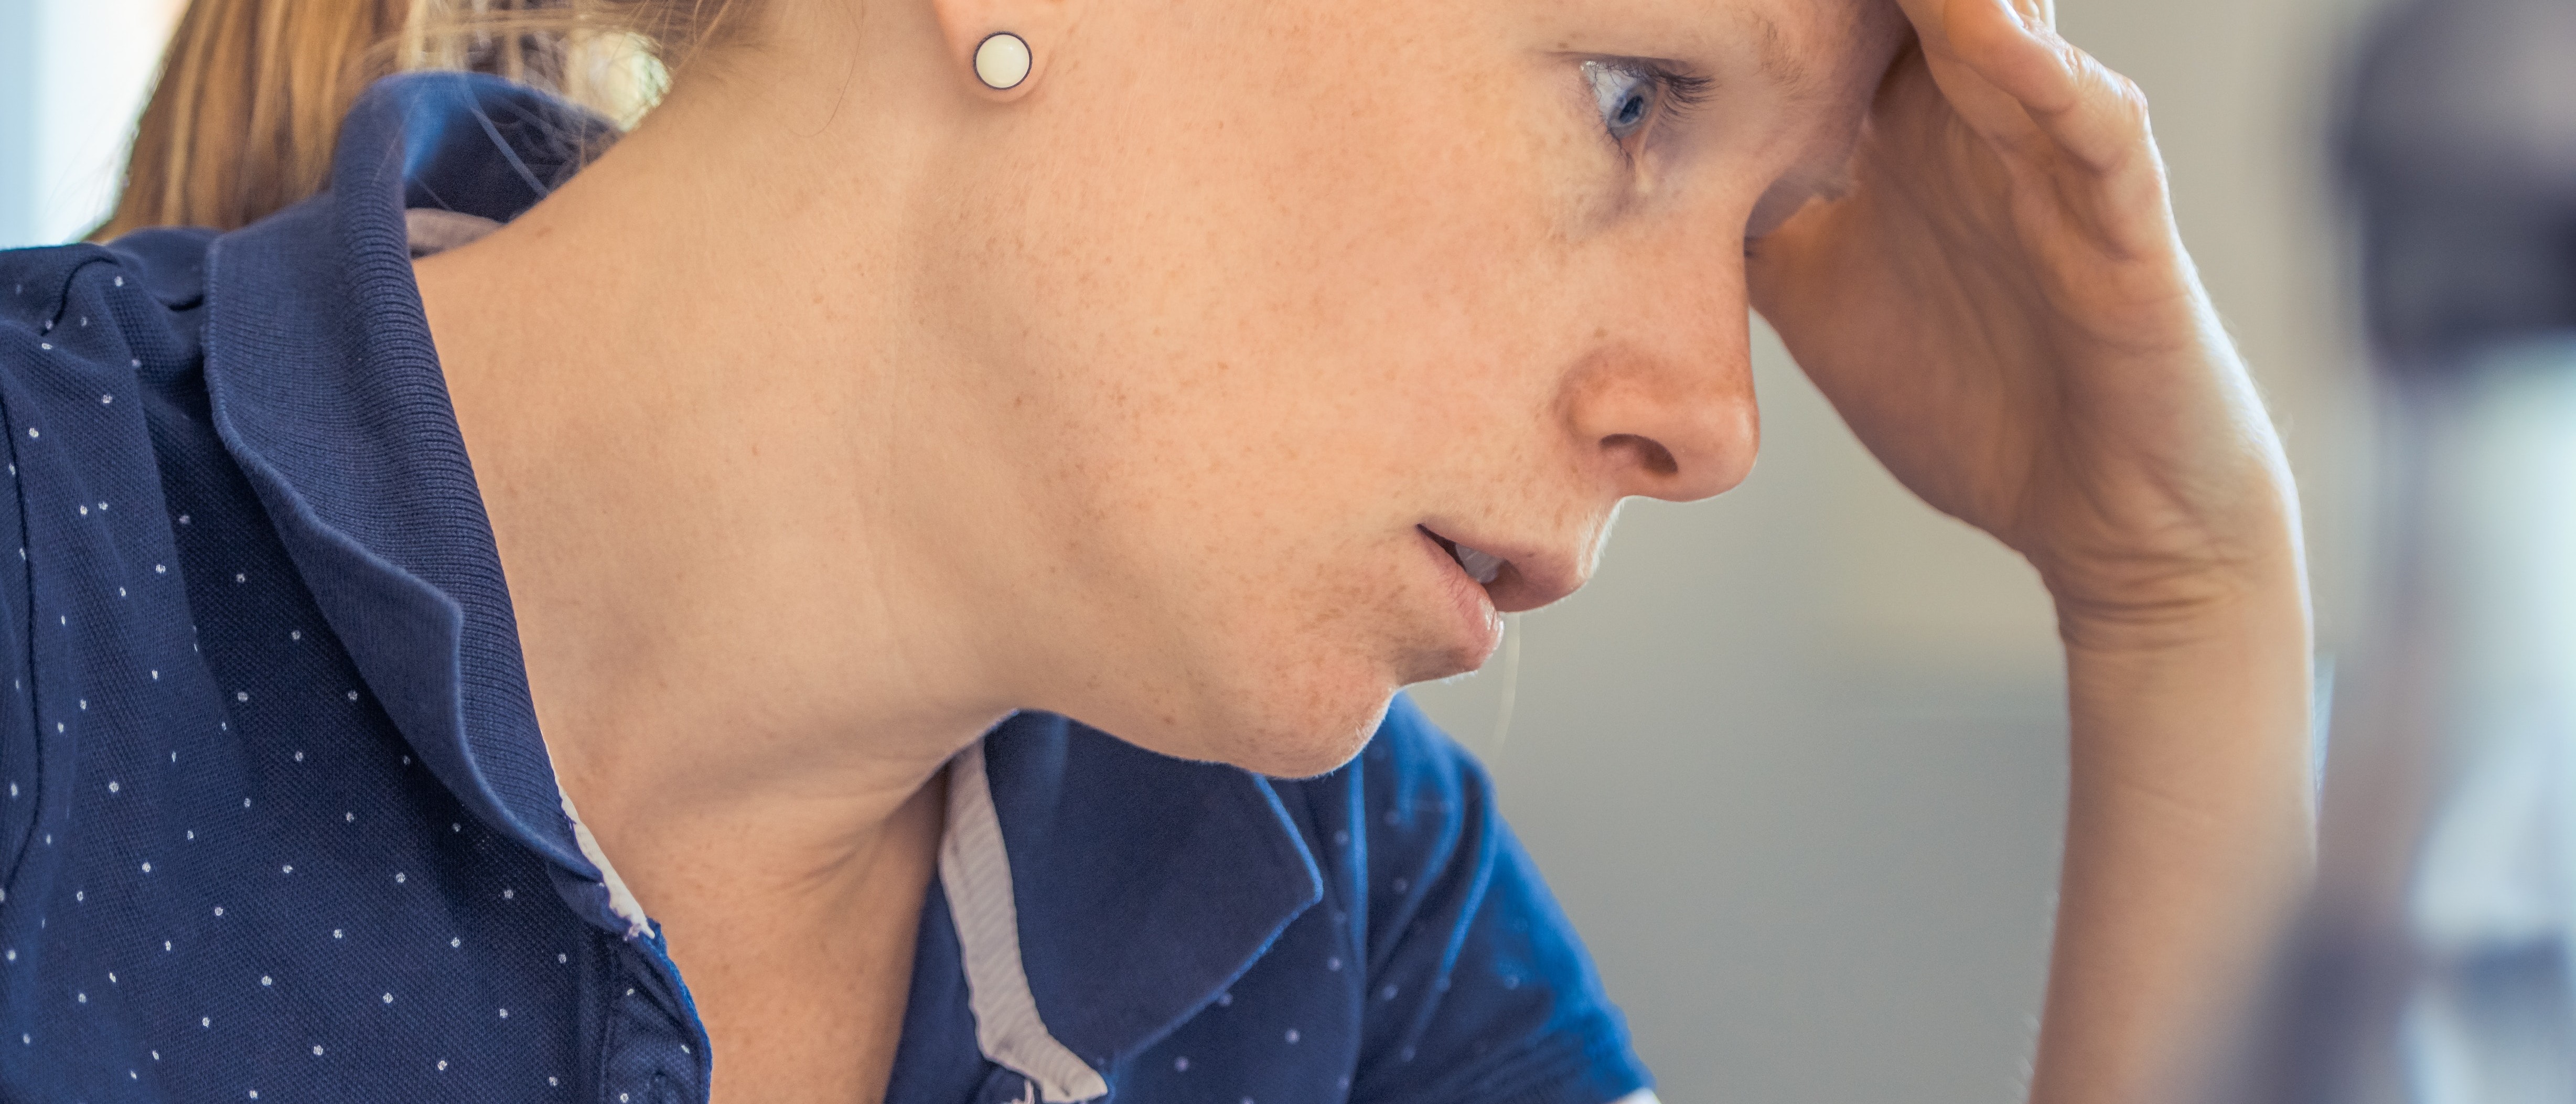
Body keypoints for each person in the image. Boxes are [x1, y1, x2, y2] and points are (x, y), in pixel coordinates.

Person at [0, 0, 2314, 1100]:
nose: (1709, 420)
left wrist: (2178, 588)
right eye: (1632, 102)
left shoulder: (1337, 913)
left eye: (1776, 225)